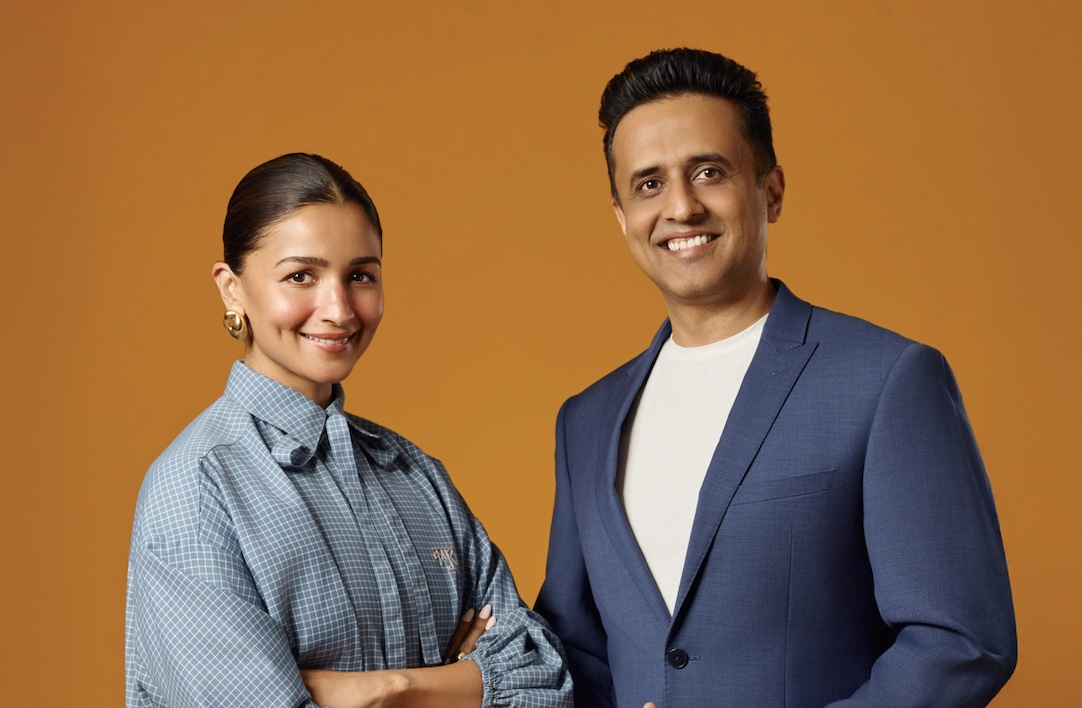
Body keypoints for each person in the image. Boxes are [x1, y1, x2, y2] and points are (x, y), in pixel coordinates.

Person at [534, 48, 1017, 707]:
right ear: (622, 217)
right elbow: (574, 649)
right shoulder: (585, 422)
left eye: (708, 172)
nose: (681, 207)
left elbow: (960, 642)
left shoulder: (887, 381)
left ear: (771, 190)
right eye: (648, 184)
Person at [125, 153, 571, 708]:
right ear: (231, 288)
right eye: (301, 276)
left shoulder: (414, 471)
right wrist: (462, 685)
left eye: (360, 275)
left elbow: (546, 677)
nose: (338, 309)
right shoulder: (197, 486)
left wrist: (385, 690)